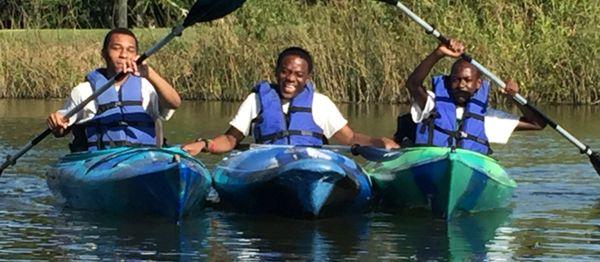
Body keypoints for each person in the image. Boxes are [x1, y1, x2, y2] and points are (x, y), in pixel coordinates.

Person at [182, 47, 398, 155]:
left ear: (307, 78)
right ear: (276, 73)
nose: (291, 79)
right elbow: (230, 140)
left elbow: (349, 137)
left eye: (298, 74)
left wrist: (378, 142)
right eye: (285, 72)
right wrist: (204, 144)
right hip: (266, 166)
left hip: (308, 165)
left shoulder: (320, 103)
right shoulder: (256, 100)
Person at [395, 38, 546, 154]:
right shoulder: (431, 104)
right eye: (456, 79)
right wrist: (438, 53)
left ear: (478, 84)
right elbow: (413, 84)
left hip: (468, 167)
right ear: (448, 81)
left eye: (467, 80)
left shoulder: (487, 117)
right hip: (431, 162)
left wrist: (515, 97)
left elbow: (537, 124)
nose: (461, 85)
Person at [46, 28, 181, 152]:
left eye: (130, 50)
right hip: (101, 162)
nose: (123, 55)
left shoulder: (147, 86)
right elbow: (61, 130)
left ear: (136, 56)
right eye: (116, 48)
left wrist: (149, 73)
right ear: (104, 53)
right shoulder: (84, 91)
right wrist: (57, 124)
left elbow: (174, 103)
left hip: (143, 159)